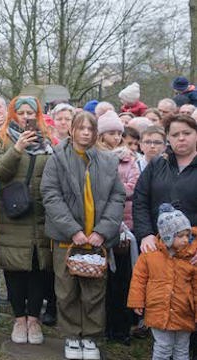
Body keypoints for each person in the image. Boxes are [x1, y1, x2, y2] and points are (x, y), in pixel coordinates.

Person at [42, 111, 126, 360]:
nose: (86, 133)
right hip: (67, 238)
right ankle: (71, 336)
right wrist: (73, 230)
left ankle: (90, 337)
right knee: (67, 290)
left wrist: (103, 231)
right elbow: (51, 195)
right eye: (81, 128)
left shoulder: (108, 160)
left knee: (94, 290)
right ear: (72, 130)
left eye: (91, 128)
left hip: (96, 239)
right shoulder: (57, 158)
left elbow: (117, 197)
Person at [0, 96, 54, 345]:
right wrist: (17, 149)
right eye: (21, 112)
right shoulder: (1, 139)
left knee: (39, 267)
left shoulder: (48, 141)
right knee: (15, 267)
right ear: (13, 115)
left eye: (31, 112)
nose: (26, 116)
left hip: (40, 213)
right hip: (12, 213)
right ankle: (19, 318)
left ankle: (34, 319)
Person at [128, 204, 197, 360]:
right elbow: (139, 279)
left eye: (188, 235)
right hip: (158, 310)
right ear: (167, 237)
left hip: (183, 311)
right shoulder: (150, 256)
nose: (186, 240)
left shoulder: (191, 258)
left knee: (182, 349)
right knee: (163, 348)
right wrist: (137, 301)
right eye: (180, 236)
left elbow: (196, 286)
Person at [96, 110, 140, 346]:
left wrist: (113, 189)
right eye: (110, 132)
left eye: (118, 133)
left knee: (122, 278)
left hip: (124, 224)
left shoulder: (128, 159)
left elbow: (132, 186)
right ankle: (102, 325)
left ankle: (120, 328)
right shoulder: (95, 157)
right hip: (100, 224)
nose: (115, 137)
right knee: (101, 279)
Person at [135, 114, 197, 253]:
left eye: (187, 133)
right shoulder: (156, 165)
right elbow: (140, 200)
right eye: (175, 134)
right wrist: (146, 234)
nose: (181, 138)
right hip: (157, 247)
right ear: (168, 138)